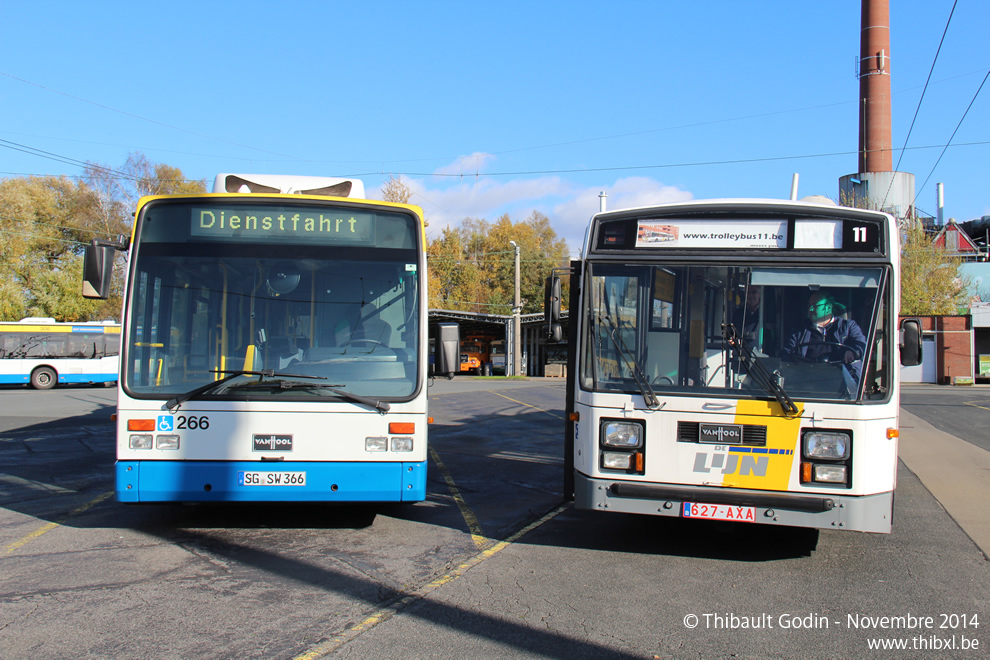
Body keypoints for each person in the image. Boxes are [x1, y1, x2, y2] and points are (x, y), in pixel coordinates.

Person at [783, 291, 867, 381]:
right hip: (807, 380)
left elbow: (860, 344)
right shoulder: (799, 330)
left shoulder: (848, 326)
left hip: (842, 380)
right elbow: (787, 353)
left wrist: (853, 352)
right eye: (809, 306)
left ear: (828, 308)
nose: (810, 309)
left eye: (814, 306)